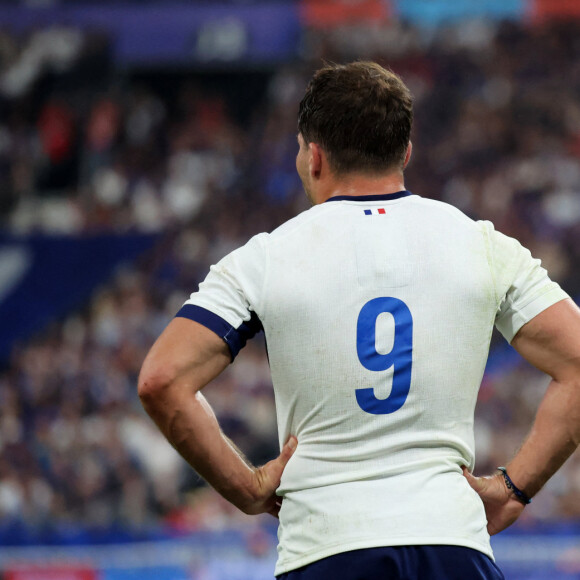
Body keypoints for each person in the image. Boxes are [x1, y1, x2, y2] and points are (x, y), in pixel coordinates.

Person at [138, 61, 580, 579]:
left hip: (328, 546)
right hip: (453, 542)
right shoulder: (482, 245)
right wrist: (513, 489)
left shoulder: (265, 258)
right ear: (405, 153)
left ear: (314, 156)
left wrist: (247, 488)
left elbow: (162, 379)